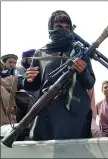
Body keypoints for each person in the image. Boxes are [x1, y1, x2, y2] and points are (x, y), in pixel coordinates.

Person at [22, 10, 95, 140]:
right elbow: (32, 87)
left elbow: (90, 83)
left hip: (76, 114)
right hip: (47, 111)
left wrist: (83, 72)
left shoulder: (80, 52)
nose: (64, 30)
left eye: (67, 27)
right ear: (51, 29)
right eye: (59, 27)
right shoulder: (40, 53)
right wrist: (29, 79)